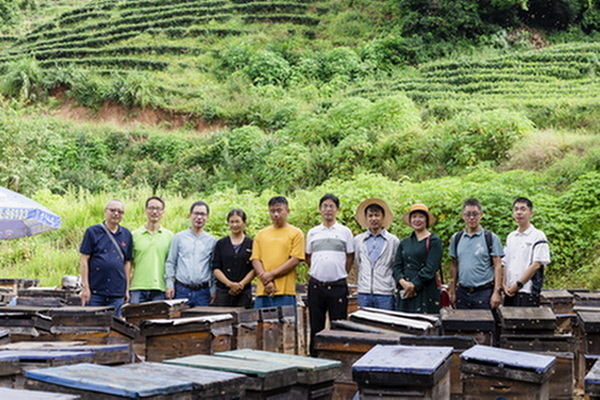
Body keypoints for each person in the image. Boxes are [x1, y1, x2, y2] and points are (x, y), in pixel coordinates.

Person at [305, 194, 354, 357]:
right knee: (315, 326)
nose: (328, 209)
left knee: (339, 325)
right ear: (320, 210)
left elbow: (350, 257)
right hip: (316, 286)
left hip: (338, 286)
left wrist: (340, 272)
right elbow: (308, 257)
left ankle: (337, 358)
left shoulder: (345, 232)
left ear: (337, 210)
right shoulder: (313, 232)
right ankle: (315, 359)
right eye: (325, 206)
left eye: (331, 206)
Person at [448, 198, 504, 310]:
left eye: (475, 214)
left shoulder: (490, 238)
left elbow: (498, 266)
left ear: (481, 215)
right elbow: (454, 265)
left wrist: (496, 292)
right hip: (462, 292)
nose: (471, 217)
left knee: (484, 325)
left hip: (484, 292)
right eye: (468, 214)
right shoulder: (457, 238)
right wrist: (452, 290)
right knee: (462, 326)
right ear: (463, 216)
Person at [80, 199, 133, 317]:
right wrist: (85, 287)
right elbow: (84, 260)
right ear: (105, 212)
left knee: (116, 328)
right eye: (112, 210)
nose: (116, 214)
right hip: (95, 291)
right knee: (93, 325)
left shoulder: (126, 234)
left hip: (117, 292)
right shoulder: (92, 232)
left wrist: (126, 289)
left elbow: (127, 263)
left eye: (120, 212)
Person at [251, 196, 305, 309]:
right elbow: (255, 259)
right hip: (263, 290)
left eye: (279, 210)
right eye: (272, 211)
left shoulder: (296, 233)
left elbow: (295, 259)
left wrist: (271, 275)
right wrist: (265, 280)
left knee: (286, 325)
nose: (276, 214)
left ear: (287, 211)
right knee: (261, 325)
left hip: (285, 291)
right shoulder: (261, 234)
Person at [165, 201, 216, 307]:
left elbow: (213, 268)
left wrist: (213, 289)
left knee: (203, 321)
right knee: (179, 322)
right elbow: (171, 262)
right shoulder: (179, 238)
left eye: (203, 214)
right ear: (190, 215)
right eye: (196, 213)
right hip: (181, 290)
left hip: (203, 292)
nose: (199, 217)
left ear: (207, 217)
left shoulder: (211, 240)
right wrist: (169, 284)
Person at [393, 204, 442, 314]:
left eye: (421, 217)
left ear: (426, 220)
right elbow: (396, 266)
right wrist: (403, 283)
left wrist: (414, 285)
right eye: (414, 217)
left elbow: (431, 268)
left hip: (425, 289)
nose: (417, 220)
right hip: (405, 290)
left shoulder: (434, 241)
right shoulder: (404, 242)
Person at [502, 197, 551, 307]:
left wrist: (518, 285)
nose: (519, 212)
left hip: (527, 291)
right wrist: (504, 285)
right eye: (516, 209)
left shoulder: (538, 236)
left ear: (531, 213)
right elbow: (505, 263)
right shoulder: (511, 237)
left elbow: (536, 264)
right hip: (509, 291)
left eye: (523, 209)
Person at [354, 198, 400, 310]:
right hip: (364, 292)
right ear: (366, 218)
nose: (374, 218)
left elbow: (395, 265)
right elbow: (357, 263)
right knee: (364, 324)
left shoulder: (392, 241)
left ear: (383, 217)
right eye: (370, 215)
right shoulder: (358, 240)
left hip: (385, 292)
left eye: (377, 215)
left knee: (385, 325)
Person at [129, 196, 174, 304]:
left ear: (163, 212)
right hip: (137, 288)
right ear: (145, 211)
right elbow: (128, 264)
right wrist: (126, 287)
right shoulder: (134, 235)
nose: (154, 211)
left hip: (160, 288)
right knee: (134, 320)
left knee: (157, 321)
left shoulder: (170, 236)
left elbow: (171, 264)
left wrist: (170, 285)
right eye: (151, 208)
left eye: (158, 209)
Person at [212, 209, 255, 308]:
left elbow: (254, 268)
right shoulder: (221, 243)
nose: (234, 225)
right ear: (228, 223)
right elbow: (216, 268)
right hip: (223, 291)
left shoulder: (251, 243)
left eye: (237, 221)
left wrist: (241, 285)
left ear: (244, 223)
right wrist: (230, 284)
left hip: (244, 292)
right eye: (232, 222)